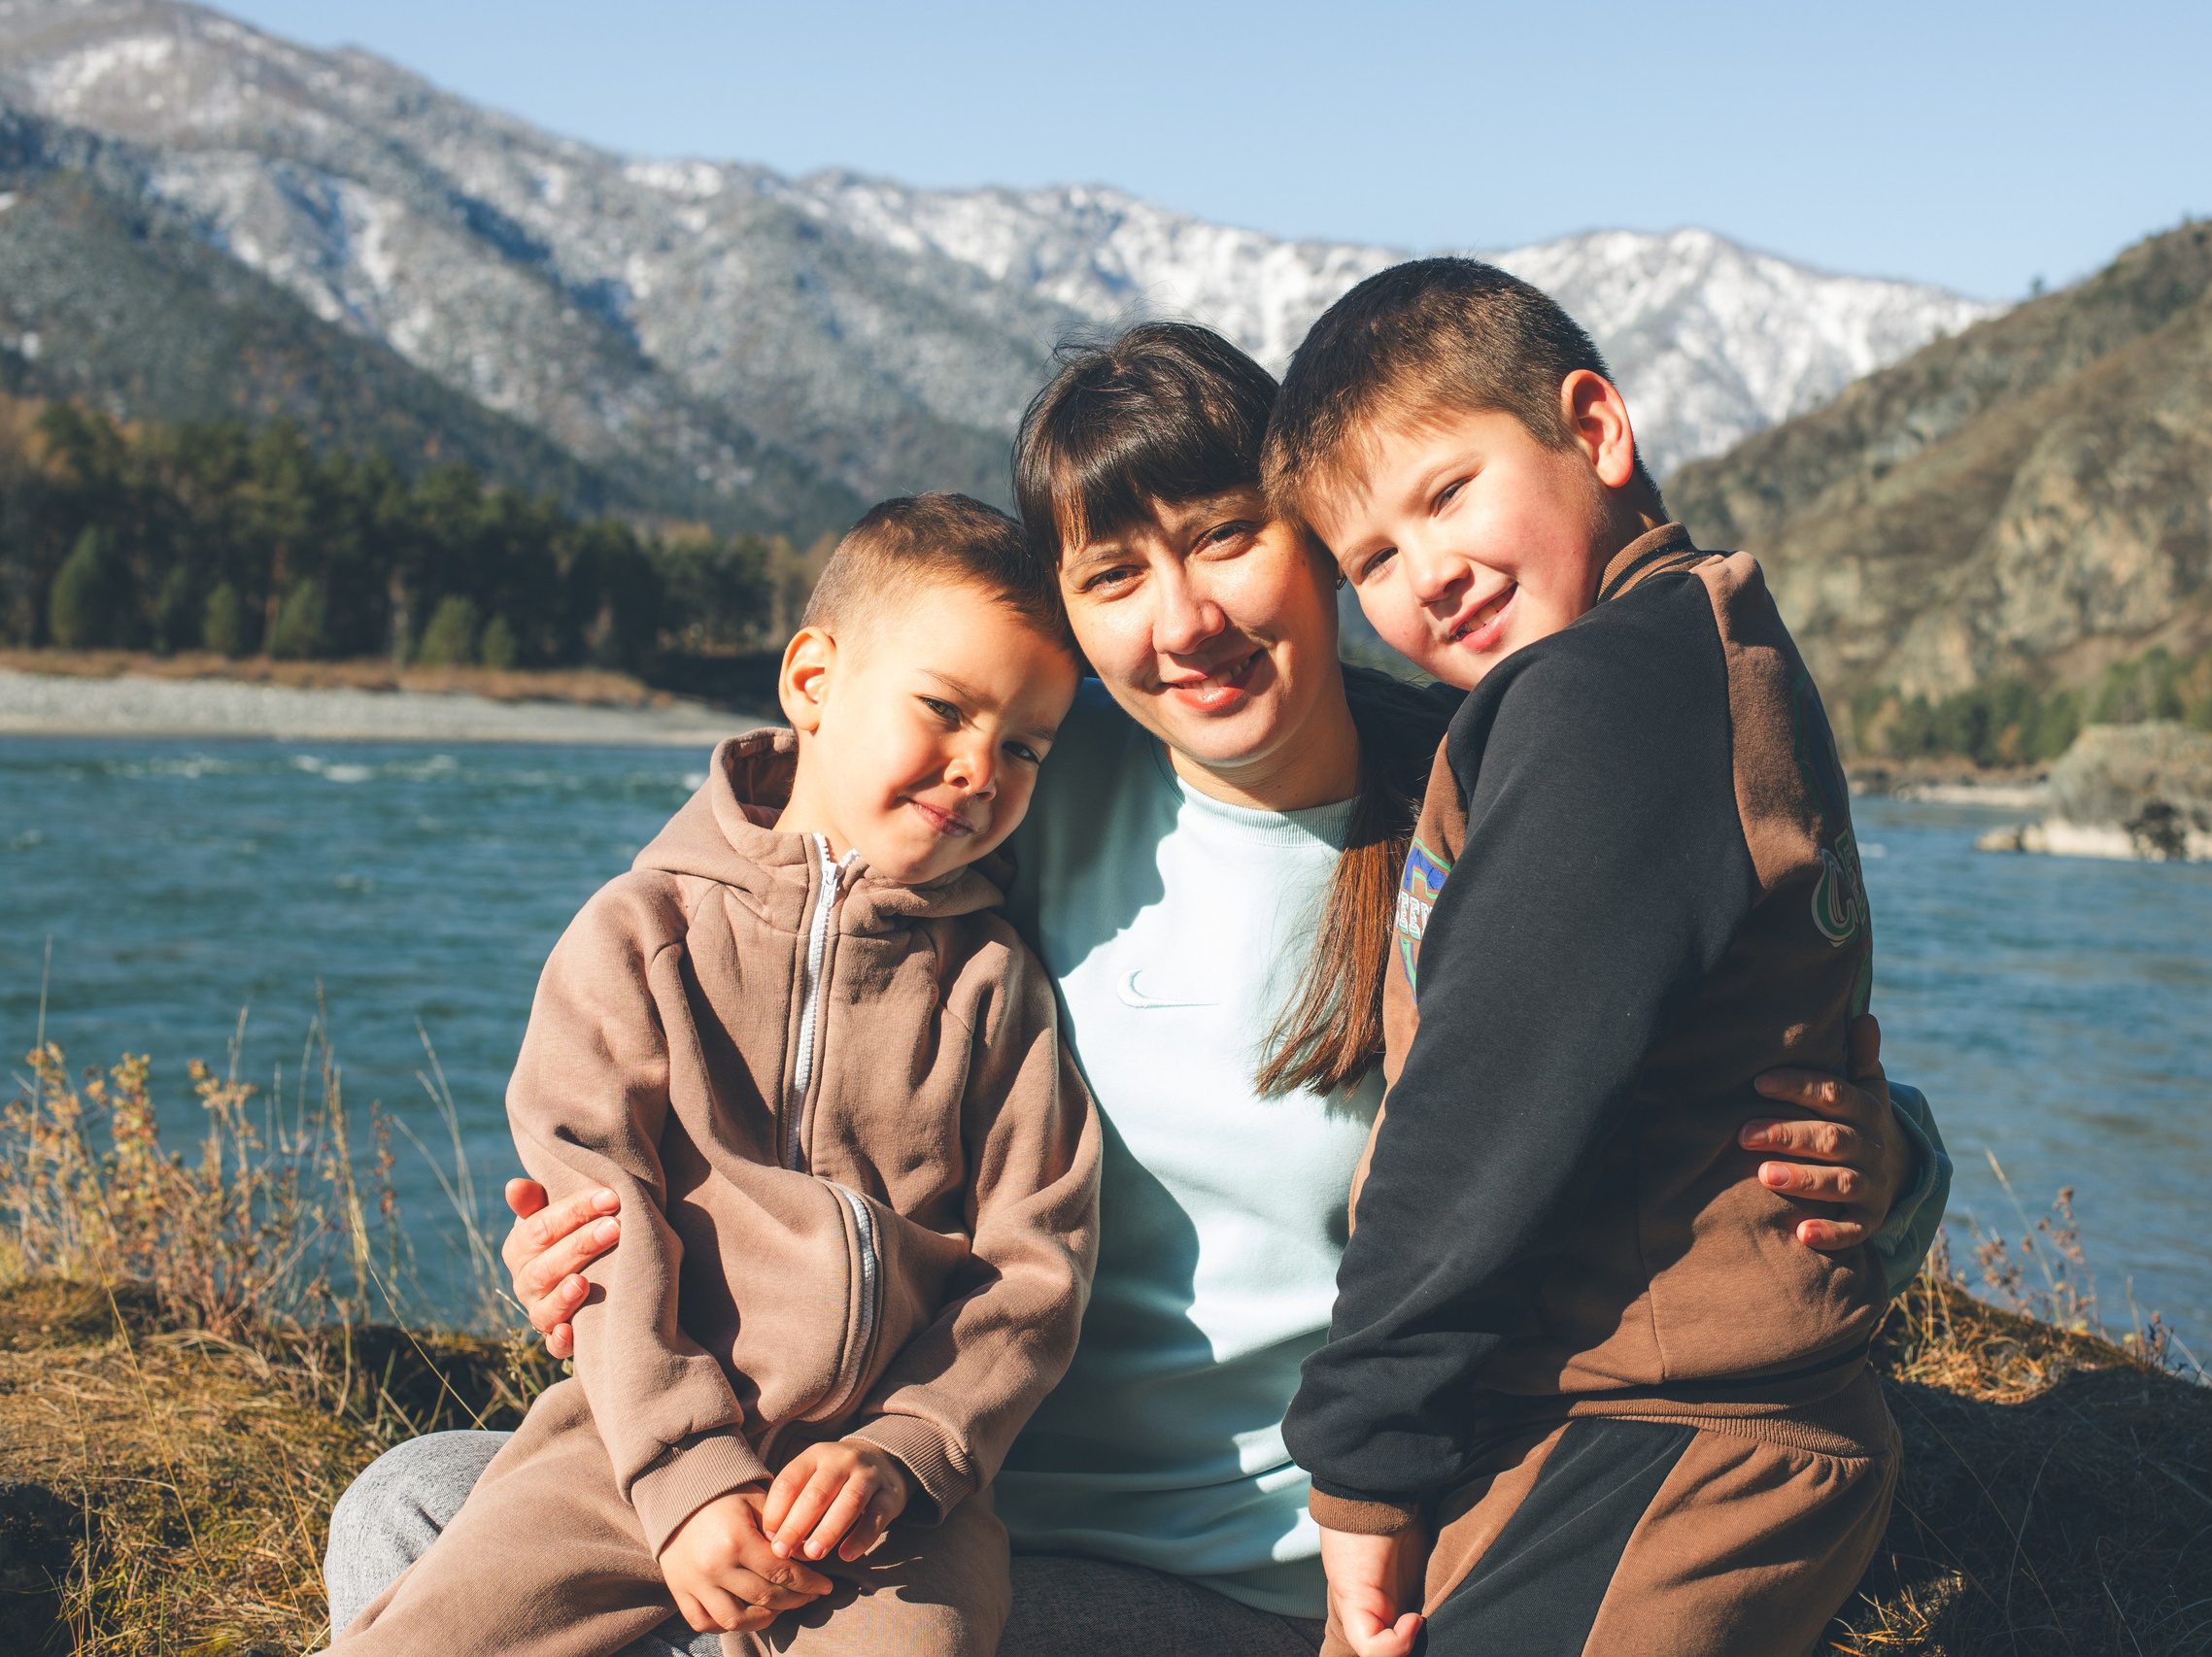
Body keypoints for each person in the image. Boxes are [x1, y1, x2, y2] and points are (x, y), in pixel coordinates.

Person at [325, 324, 1952, 1657]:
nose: (1186, 621)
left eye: (1230, 540)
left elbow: (1745, 1020)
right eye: (1115, 577)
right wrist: (619, 1230)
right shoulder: (1020, 793)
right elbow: (759, 972)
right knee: (412, 1499)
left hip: (1235, 1584)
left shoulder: (1474, 819)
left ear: (1317, 547)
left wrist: (1891, 1168)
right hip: (902, 1503)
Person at [1265, 259, 1922, 1657]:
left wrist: (1364, 1456)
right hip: (1645, 1415)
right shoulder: (1670, 656)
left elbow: (1488, 1094)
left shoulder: (1611, 693)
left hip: (1676, 1432)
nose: (1425, 572)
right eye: (1369, 559)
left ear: (1597, 431)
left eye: (1446, 492)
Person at [327, 495, 1101, 1657]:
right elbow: (605, 1221)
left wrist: (911, 1449)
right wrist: (684, 1472)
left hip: (886, 1500)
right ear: (812, 679)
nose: (981, 765)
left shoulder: (998, 988)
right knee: (433, 1631)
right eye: (944, 707)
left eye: (1027, 744)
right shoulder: (639, 936)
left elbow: (1034, 1272)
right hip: (623, 1450)